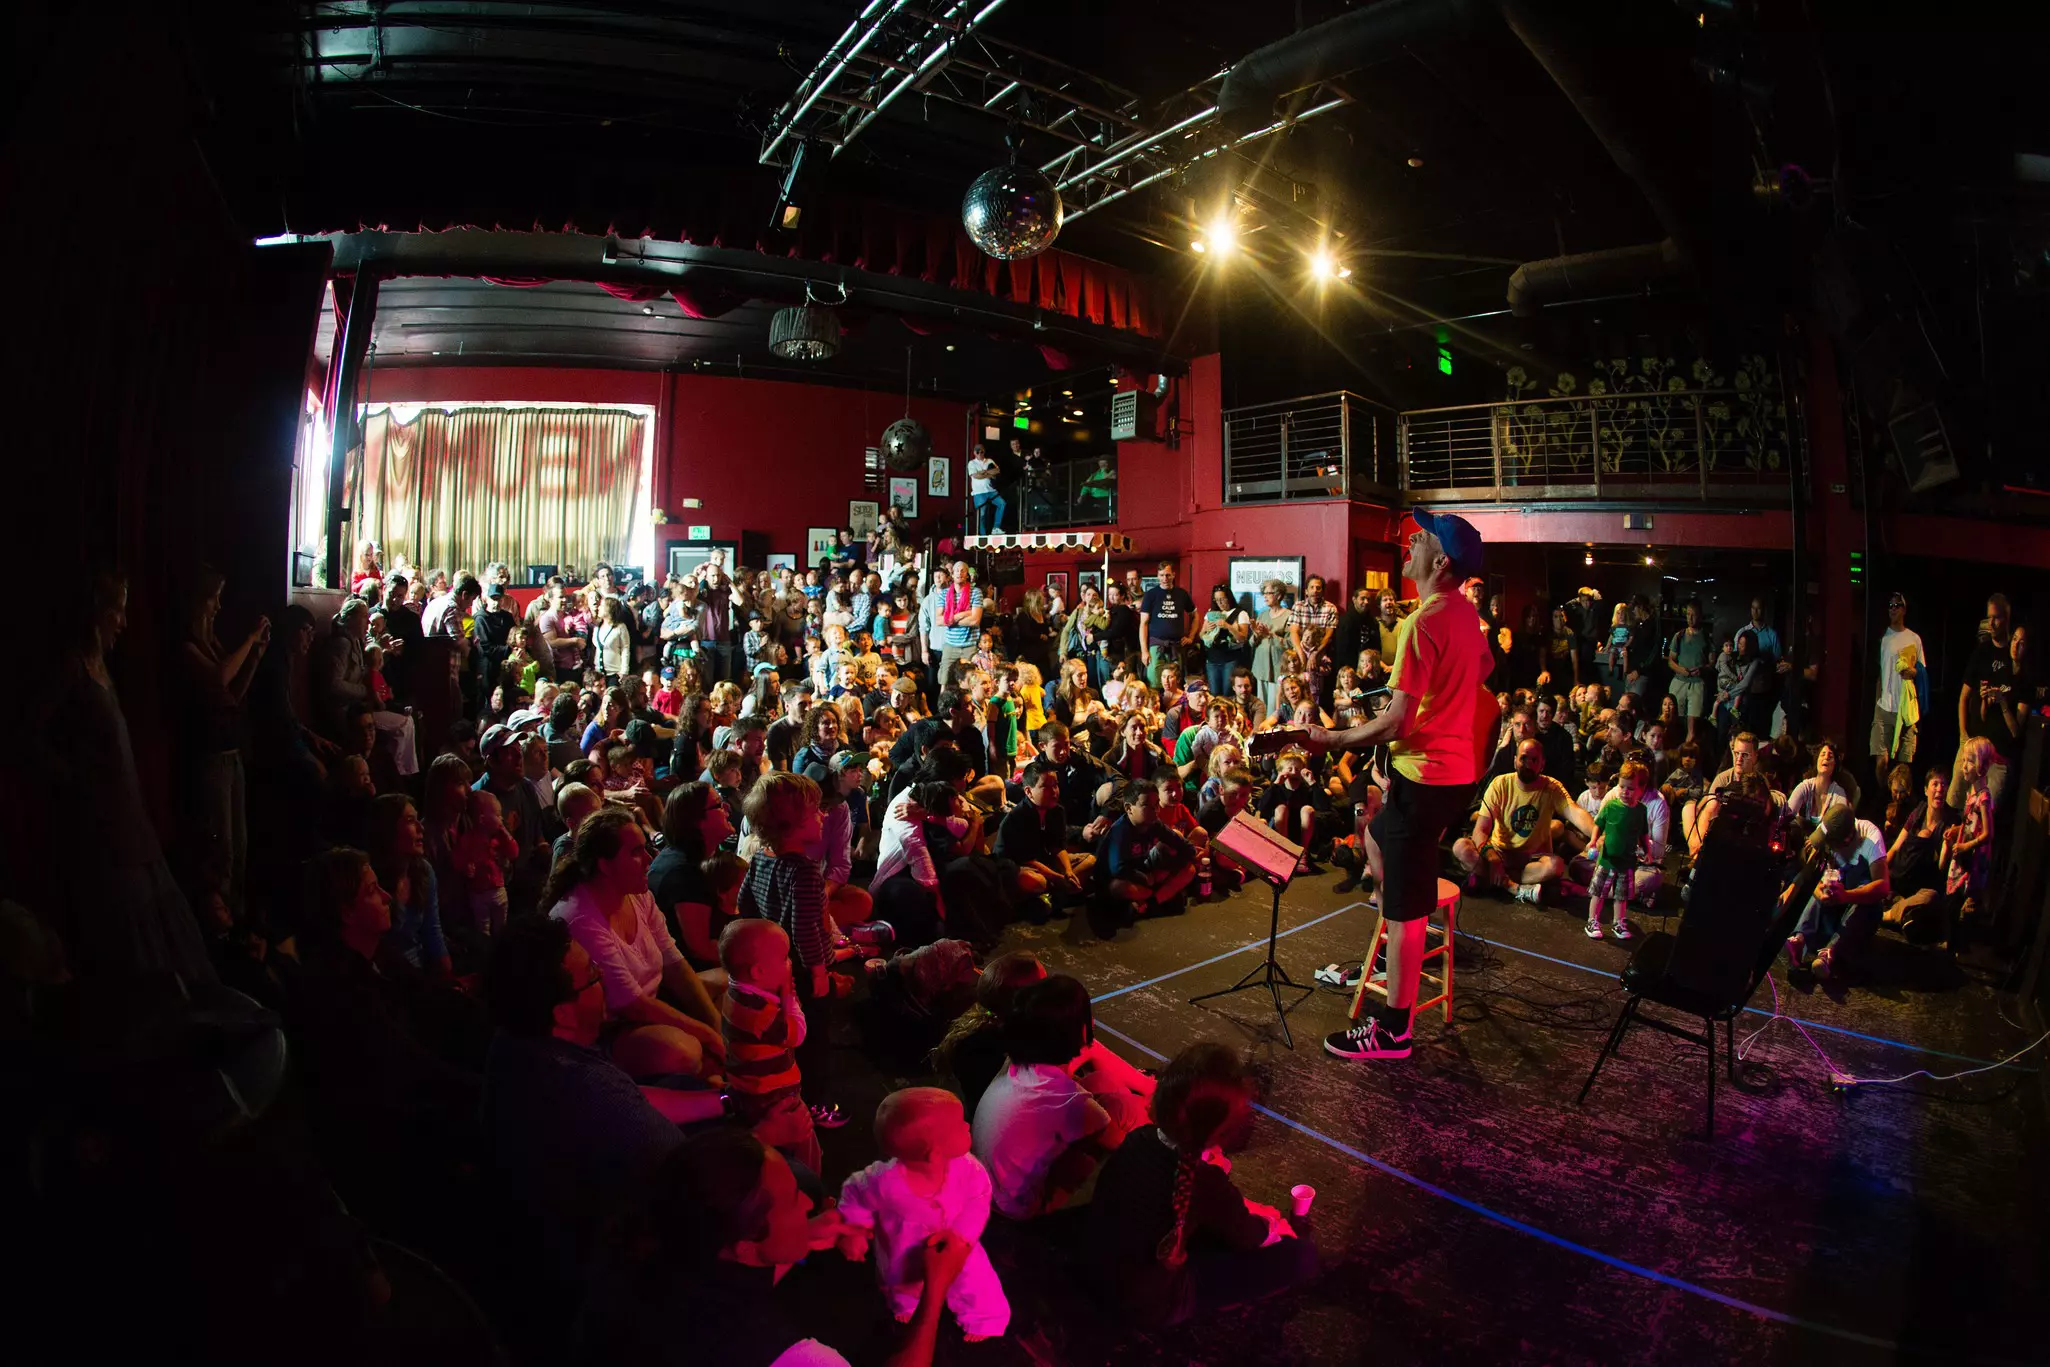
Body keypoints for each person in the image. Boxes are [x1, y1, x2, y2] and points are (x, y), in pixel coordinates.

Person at [1305, 510, 1497, 1062]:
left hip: (1425, 777)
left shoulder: (1423, 623)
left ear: (1440, 563)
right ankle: (1395, 924)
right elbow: (1479, 672)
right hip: (1456, 775)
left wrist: (1333, 738)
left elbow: (1394, 723)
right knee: (1376, 831)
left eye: (1423, 535)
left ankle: (1393, 1031)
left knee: (1408, 910)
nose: (1410, 538)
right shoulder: (1464, 616)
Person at [577, 1124, 969, 1367]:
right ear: (745, 1244)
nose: (806, 1202)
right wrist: (934, 1292)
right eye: (789, 1203)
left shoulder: (655, 1240)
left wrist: (802, 1239)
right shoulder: (775, 1352)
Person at [1084, 1041, 1317, 1330]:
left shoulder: (1138, 1138)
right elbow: (1251, 1237)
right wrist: (1273, 1225)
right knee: (1301, 1257)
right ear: (1224, 1132)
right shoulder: (1204, 1181)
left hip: (1101, 1272)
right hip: (1151, 1302)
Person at [546, 808, 725, 1083]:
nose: (649, 859)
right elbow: (631, 1005)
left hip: (650, 1002)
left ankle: (722, 1077)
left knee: (734, 983)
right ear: (604, 865)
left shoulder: (637, 894)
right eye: (636, 852)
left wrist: (713, 1026)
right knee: (683, 1051)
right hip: (609, 1028)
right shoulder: (581, 917)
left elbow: (674, 963)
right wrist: (709, 1036)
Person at [835, 1088, 1009, 1341]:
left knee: (975, 1280)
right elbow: (854, 1195)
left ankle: (983, 1317)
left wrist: (962, 1235)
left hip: (956, 1243)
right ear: (934, 1153)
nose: (967, 1126)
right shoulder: (884, 1181)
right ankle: (906, 1304)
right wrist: (854, 1231)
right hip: (903, 1245)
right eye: (960, 1126)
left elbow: (980, 1197)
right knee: (900, 1279)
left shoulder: (968, 1168)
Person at [971, 974, 1136, 1219]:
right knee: (1123, 1109)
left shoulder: (1015, 1063)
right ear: (1082, 1028)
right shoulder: (1073, 1103)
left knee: (1102, 1082)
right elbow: (1124, 1145)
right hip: (1017, 1207)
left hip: (986, 1183)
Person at [737, 771, 843, 1128]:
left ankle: (790, 1092)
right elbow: (804, 928)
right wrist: (818, 972)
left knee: (789, 1035)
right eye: (815, 812)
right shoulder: (806, 872)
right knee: (816, 1040)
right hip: (804, 968)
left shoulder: (761, 860)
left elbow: (745, 905)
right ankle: (818, 1105)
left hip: (775, 966)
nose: (823, 816)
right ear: (793, 824)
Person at [1455, 738, 1594, 905]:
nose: (1528, 763)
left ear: (1542, 764)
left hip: (1531, 860)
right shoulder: (1500, 784)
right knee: (1461, 848)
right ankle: (1513, 886)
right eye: (1523, 758)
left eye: (1534, 760)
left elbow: (1575, 812)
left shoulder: (1551, 787)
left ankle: (1492, 880)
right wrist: (1493, 858)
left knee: (1555, 865)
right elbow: (1480, 830)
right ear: (1515, 761)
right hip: (1500, 853)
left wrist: (1597, 833)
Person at [1784, 803, 1892, 980]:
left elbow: (1883, 886)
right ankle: (1799, 940)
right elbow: (1809, 868)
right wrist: (1818, 890)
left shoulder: (1870, 837)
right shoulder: (1829, 828)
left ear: (1847, 839)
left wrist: (1846, 895)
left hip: (1859, 909)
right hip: (1834, 905)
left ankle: (1828, 955)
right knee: (1822, 886)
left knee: (1864, 897)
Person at [1586, 759, 1651, 940]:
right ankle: (1592, 920)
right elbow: (1598, 824)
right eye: (1622, 787)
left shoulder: (1641, 811)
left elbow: (1643, 834)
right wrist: (1593, 841)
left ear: (1641, 789)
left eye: (1630, 788)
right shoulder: (1611, 806)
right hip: (1607, 859)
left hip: (1627, 862)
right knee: (1598, 892)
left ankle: (1618, 922)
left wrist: (1648, 852)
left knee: (1621, 896)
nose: (1624, 792)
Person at [1138, 561, 1196, 689]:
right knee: (1154, 682)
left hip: (1177, 645)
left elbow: (1195, 616)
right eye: (1162, 575)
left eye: (1168, 575)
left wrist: (1191, 636)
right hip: (1156, 645)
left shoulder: (1182, 594)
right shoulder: (1151, 595)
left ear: (1173, 575)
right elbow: (1143, 624)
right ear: (1158, 576)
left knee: (1175, 683)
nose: (1165, 578)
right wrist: (1144, 651)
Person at [1288, 574, 1341, 706]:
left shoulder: (1330, 608)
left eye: (1318, 588)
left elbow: (1329, 635)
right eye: (1311, 587)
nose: (1315, 590)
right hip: (1300, 652)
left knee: (1318, 695)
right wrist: (1301, 655)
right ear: (1306, 591)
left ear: (1323, 591)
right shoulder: (1298, 606)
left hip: (1321, 654)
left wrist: (1315, 654)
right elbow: (1293, 632)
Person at [1199, 584, 1252, 697]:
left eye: (1223, 599)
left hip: (1230, 659)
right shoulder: (1211, 613)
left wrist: (1228, 626)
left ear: (1229, 598)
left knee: (1228, 692)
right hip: (1212, 659)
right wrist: (1206, 629)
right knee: (1214, 693)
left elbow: (1243, 638)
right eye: (1217, 600)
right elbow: (1201, 635)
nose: (1220, 603)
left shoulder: (1241, 613)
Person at [969, 442, 1005, 534]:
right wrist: (989, 473)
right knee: (982, 514)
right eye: (978, 452)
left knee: (1002, 504)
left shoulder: (989, 461)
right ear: (974, 453)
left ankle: (996, 527)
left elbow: (997, 470)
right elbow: (976, 476)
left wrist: (983, 472)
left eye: (982, 452)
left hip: (991, 490)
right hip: (979, 492)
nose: (980, 454)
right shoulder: (972, 463)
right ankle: (983, 535)